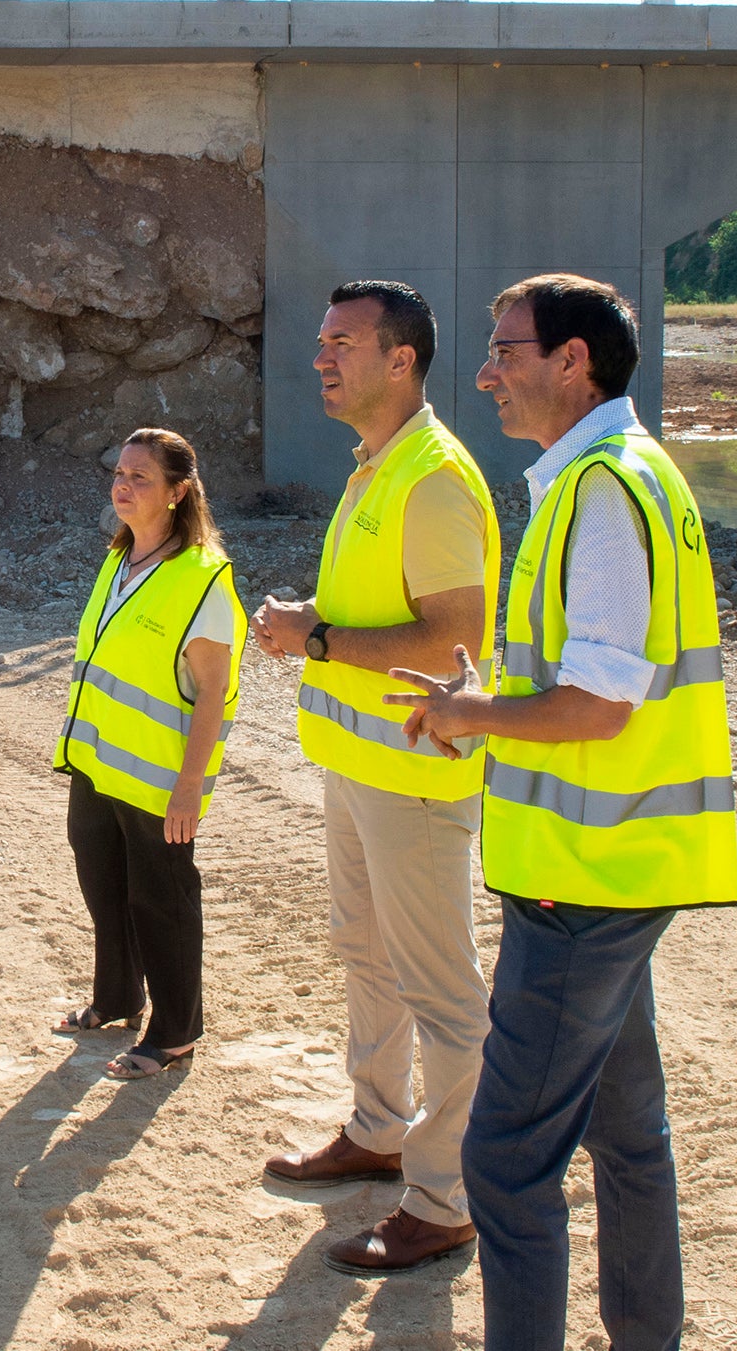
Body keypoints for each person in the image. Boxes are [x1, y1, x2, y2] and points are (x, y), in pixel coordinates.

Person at [385, 273, 737, 1350]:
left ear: (572, 360)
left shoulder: (600, 489)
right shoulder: (627, 471)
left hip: (582, 880)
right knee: (628, 1132)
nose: (485, 373)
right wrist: (481, 707)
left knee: (504, 1158)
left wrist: (470, 713)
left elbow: (598, 701)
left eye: (506, 351)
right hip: (622, 864)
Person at [250, 281, 502, 1276]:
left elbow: (452, 638)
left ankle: (446, 1197)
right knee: (366, 953)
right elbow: (377, 610)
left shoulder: (432, 478)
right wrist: (308, 624)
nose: (321, 356)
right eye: (322, 341)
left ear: (401, 359)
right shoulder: (376, 466)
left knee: (443, 992)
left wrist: (314, 635)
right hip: (362, 766)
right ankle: (378, 1129)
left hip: (415, 774)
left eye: (342, 342)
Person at [53, 427, 247, 1081]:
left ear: (177, 492)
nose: (124, 486)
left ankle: (175, 1031)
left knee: (160, 899)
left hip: (160, 776)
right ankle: (116, 997)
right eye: (120, 473)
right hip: (98, 762)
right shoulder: (120, 558)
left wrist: (190, 786)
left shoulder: (202, 578)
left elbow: (214, 691)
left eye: (141, 477)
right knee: (103, 882)